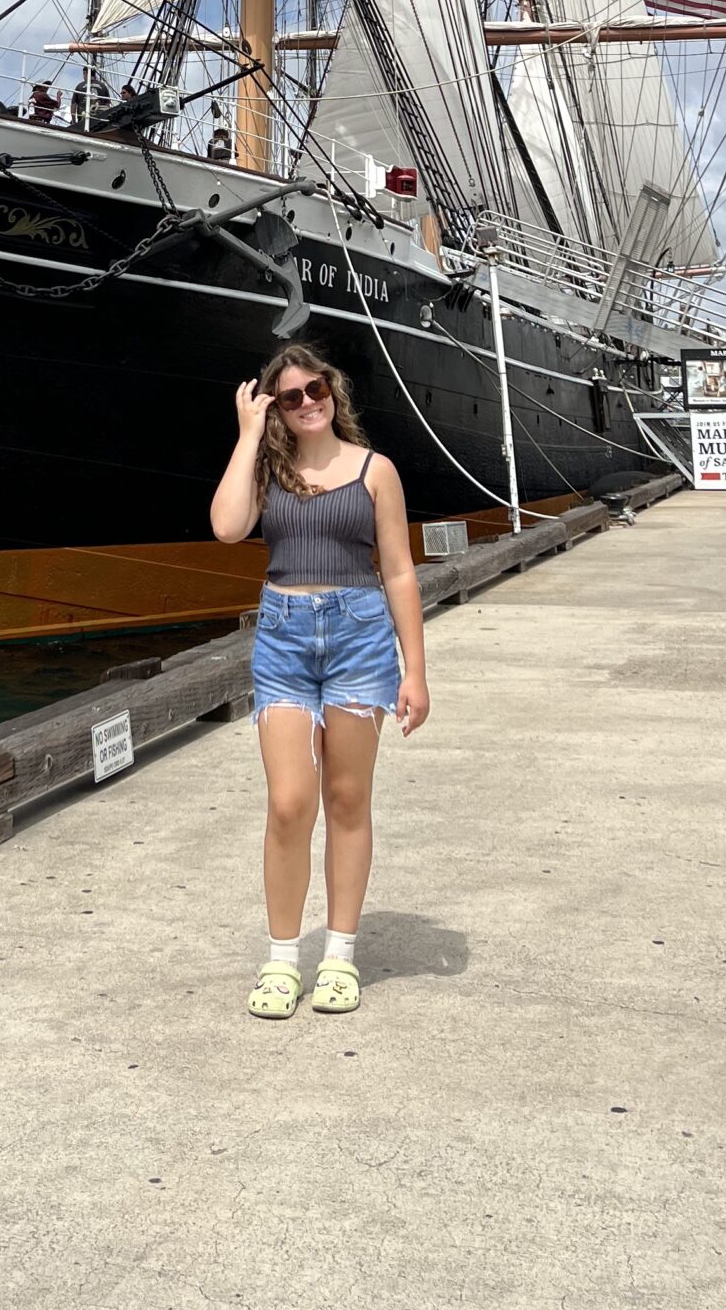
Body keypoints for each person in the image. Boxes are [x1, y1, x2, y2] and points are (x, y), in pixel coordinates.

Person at [210, 342, 428, 1021]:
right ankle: (282, 960)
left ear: (334, 393)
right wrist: (249, 434)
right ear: (277, 406)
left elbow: (398, 570)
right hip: (284, 637)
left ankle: (338, 954)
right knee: (288, 803)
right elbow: (226, 528)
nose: (307, 403)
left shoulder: (374, 470)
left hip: (361, 637)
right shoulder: (268, 470)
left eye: (316, 390)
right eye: (291, 396)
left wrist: (415, 670)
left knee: (346, 798)